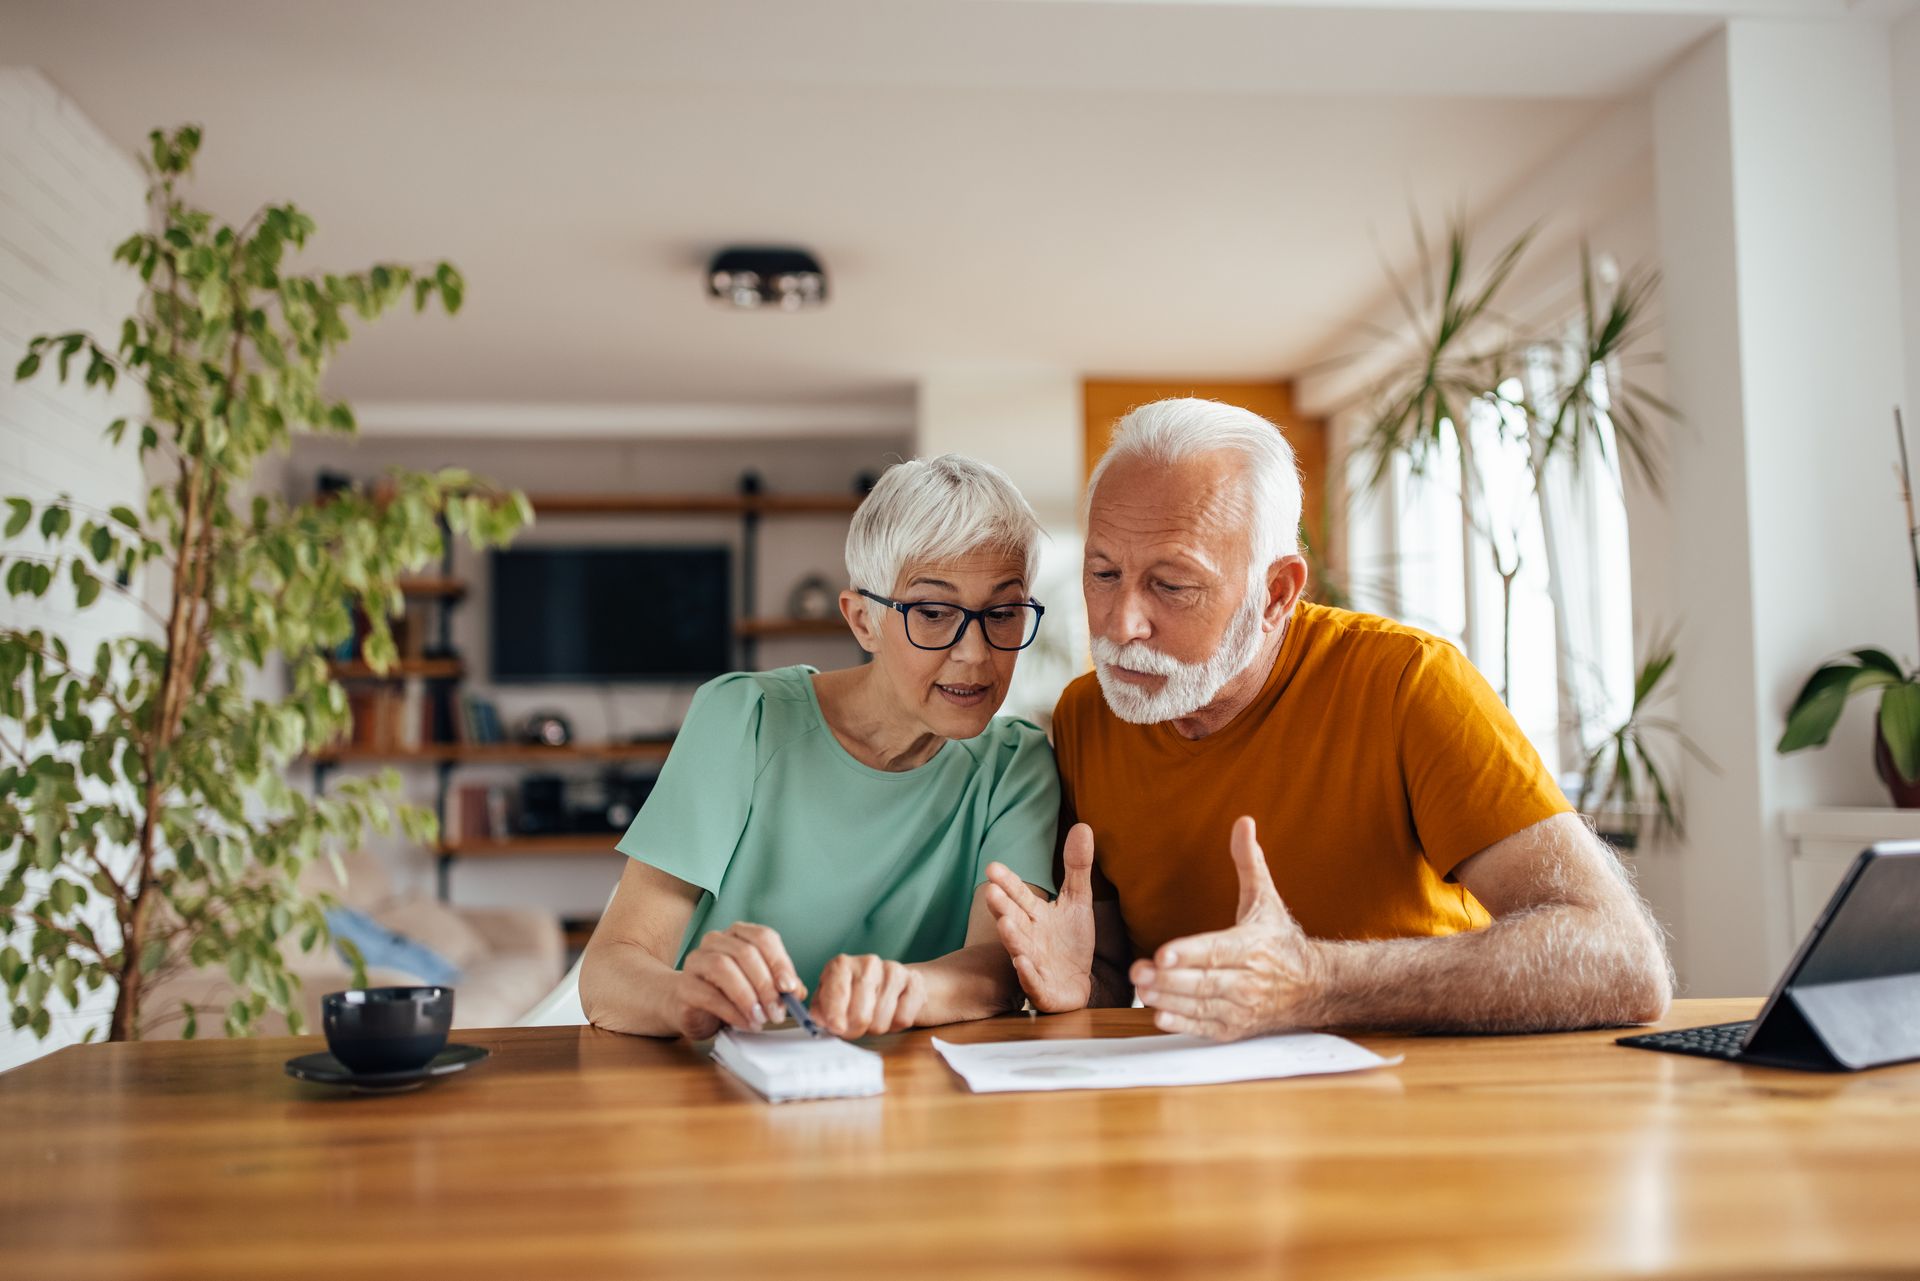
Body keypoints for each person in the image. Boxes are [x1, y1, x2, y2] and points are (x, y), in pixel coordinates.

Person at [985, 398, 1672, 1038]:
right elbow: (1106, 977)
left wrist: (1316, 981)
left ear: (1277, 592)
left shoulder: (1409, 683)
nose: (1120, 624)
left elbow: (1620, 958)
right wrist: (1078, 982)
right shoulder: (1087, 713)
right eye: (1103, 573)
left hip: (1428, 1111)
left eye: (1171, 584)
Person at [581, 454, 1088, 1040]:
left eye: (1001, 613)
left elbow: (998, 970)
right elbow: (611, 970)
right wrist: (685, 999)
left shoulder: (1015, 763)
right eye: (931, 611)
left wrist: (904, 991)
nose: (975, 653)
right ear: (862, 620)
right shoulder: (746, 719)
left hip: (903, 1094)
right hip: (713, 1079)